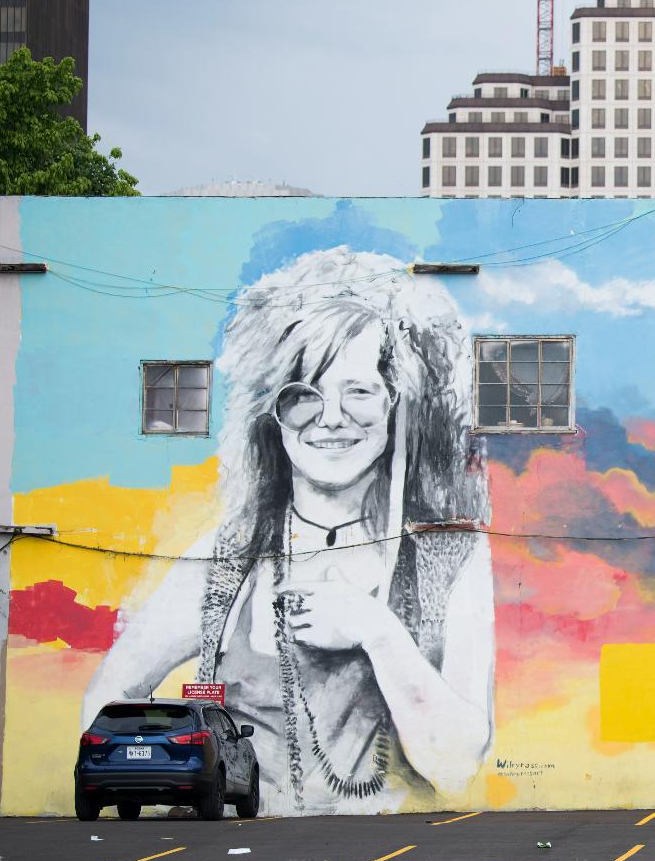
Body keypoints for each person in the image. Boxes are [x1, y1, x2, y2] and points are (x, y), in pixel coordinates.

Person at [83, 247, 495, 814]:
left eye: (358, 390)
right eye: (304, 395)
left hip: (403, 858)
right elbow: (111, 694)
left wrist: (377, 632)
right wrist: (158, 785)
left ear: (393, 402)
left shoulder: (451, 555)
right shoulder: (231, 558)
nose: (331, 417)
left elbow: (456, 769)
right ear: (272, 416)